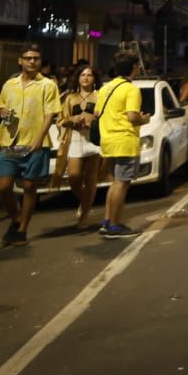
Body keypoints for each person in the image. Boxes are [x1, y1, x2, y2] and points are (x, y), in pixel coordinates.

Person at [0, 44, 62, 246]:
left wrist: (40, 138)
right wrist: (1, 112)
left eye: (36, 58)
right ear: (20, 60)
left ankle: (23, 229)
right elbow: (1, 105)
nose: (32, 62)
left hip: (34, 142)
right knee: (4, 187)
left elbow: (50, 113)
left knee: (30, 186)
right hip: (9, 141)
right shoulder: (9, 85)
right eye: (28, 58)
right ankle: (16, 218)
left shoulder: (48, 85)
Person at [96, 51, 148, 238]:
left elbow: (97, 113)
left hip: (108, 141)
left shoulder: (105, 88)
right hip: (125, 140)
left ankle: (108, 221)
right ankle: (115, 226)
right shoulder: (131, 89)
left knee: (114, 182)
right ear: (134, 67)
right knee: (121, 183)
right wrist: (144, 120)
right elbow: (132, 117)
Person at [57, 66, 103, 231]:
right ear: (77, 78)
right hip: (75, 140)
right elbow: (60, 120)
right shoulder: (70, 98)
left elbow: (105, 116)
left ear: (94, 78)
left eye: (90, 75)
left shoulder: (100, 96)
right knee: (74, 177)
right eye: (83, 74)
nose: (86, 78)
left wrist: (94, 120)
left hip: (94, 141)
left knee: (91, 179)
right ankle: (86, 202)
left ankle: (84, 216)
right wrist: (72, 120)